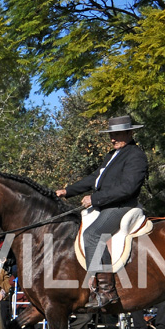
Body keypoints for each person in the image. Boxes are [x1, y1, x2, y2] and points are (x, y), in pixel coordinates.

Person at [56, 115, 148, 310]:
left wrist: (94, 199)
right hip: (106, 206)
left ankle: (106, 291)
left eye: (117, 134)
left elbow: (128, 188)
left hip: (122, 207)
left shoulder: (136, 155)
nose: (112, 138)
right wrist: (67, 191)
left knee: (93, 234)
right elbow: (94, 179)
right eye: (111, 135)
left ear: (130, 133)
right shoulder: (111, 155)